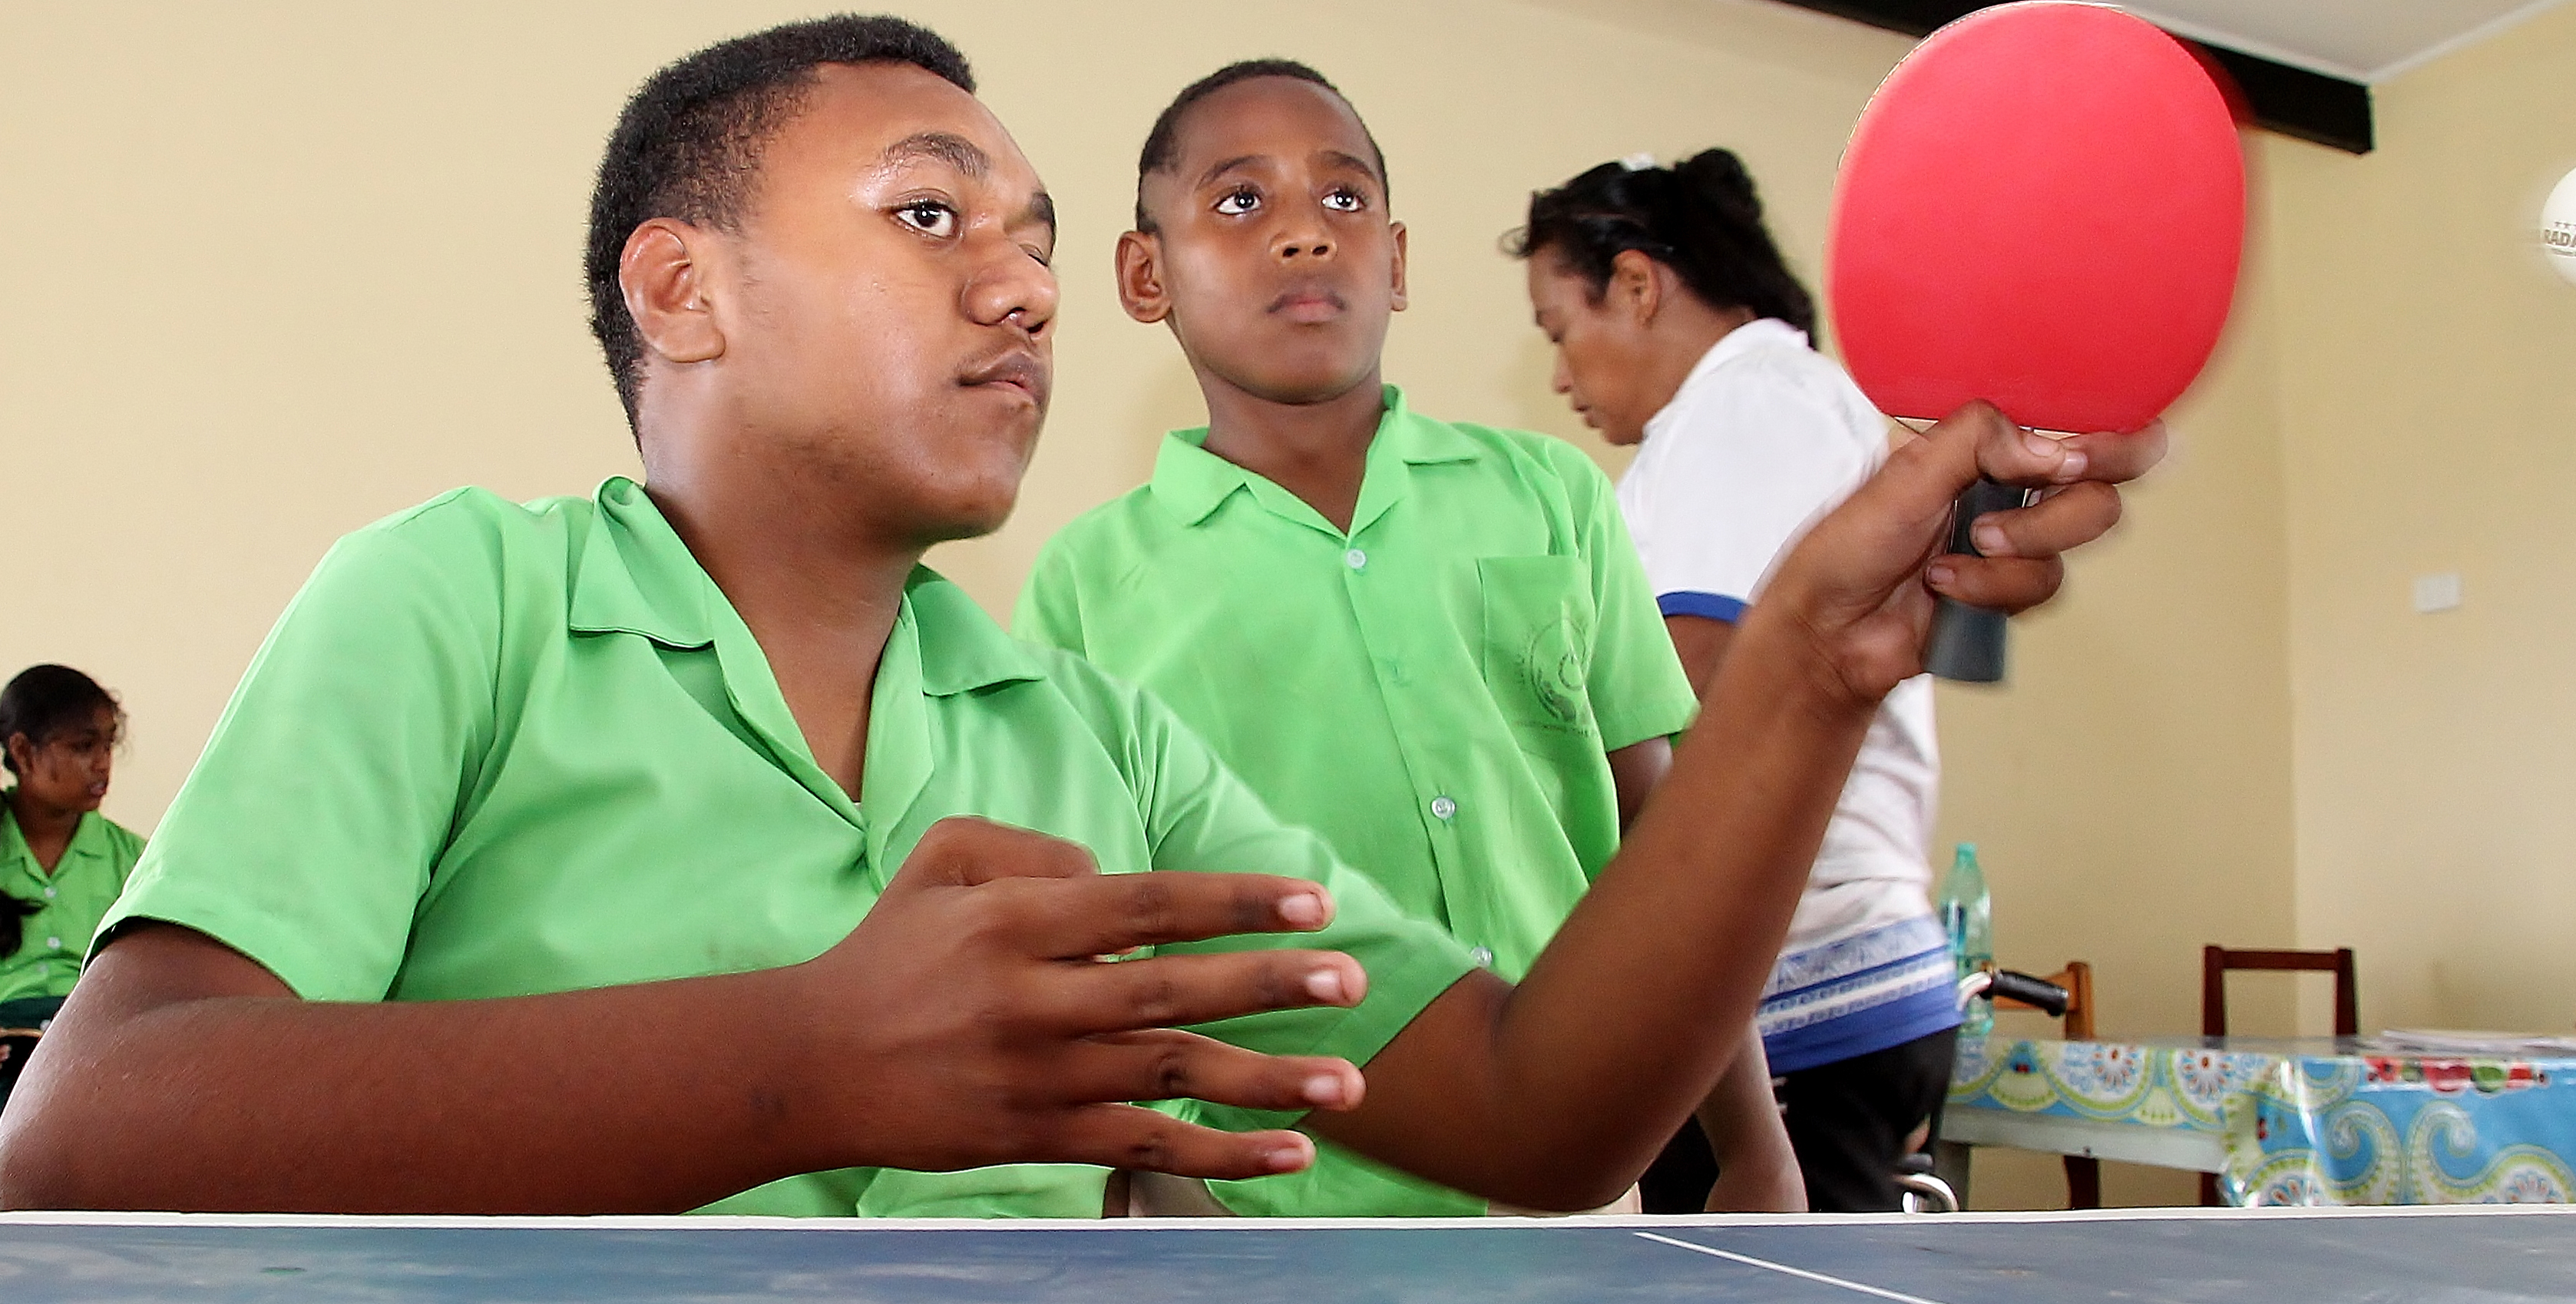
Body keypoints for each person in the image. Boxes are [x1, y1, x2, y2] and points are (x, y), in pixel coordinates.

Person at [0, 17, 2154, 1217]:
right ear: (686, 289)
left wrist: (1800, 669)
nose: (1023, 282)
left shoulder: (1090, 742)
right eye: (930, 214)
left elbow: (1533, 1106)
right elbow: (88, 1133)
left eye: (1031, 238)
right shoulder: (455, 598)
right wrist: (798, 1060)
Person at [1014, 62, 1793, 1216]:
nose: (1305, 238)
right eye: (1240, 202)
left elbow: (1662, 846)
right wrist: (1157, 1179)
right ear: (1145, 275)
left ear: (1399, 261)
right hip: (1270, 1212)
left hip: (1568, 1191)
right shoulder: (1088, 582)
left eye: (1344, 201)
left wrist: (1753, 1149)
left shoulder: (1551, 498)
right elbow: (1096, 945)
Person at [1510, 149, 1986, 1212]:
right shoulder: (1763, 411)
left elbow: (1678, 696)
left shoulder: (1745, 407)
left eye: (1558, 330)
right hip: (1814, 990)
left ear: (1636, 285)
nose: (1558, 374)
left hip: (1803, 996)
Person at [0, 667, 143, 1048]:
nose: (102, 764)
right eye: (83, 747)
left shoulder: (134, 860)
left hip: (93, 1041)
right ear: (23, 752)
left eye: (108, 746)